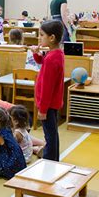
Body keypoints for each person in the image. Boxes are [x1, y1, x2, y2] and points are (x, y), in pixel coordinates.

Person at [31, 20, 65, 161]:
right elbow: (42, 62)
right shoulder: (55, 54)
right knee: (52, 134)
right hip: (52, 103)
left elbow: (47, 87)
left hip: (48, 105)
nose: (39, 38)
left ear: (51, 38)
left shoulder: (52, 58)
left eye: (42, 35)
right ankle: (53, 160)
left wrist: (42, 109)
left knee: (49, 137)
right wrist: (36, 54)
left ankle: (49, 162)